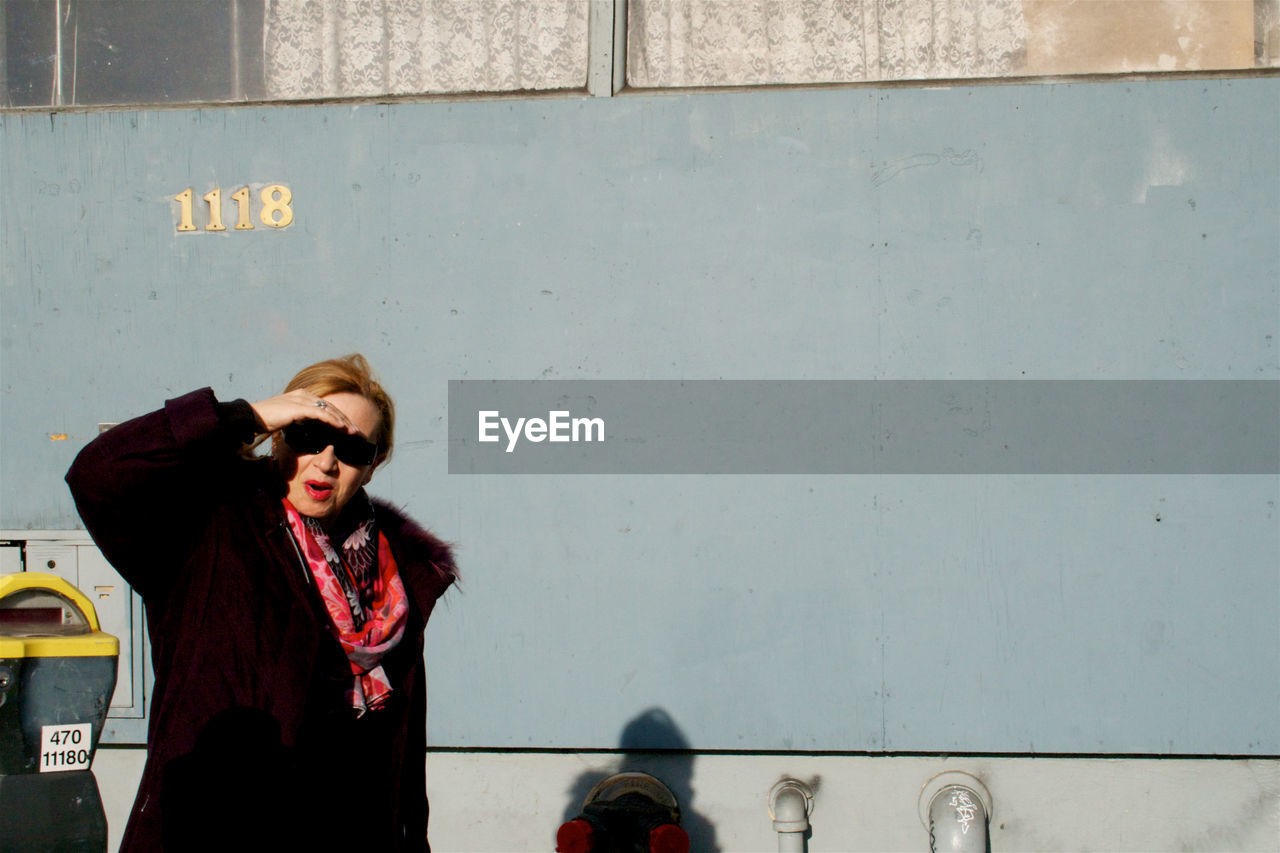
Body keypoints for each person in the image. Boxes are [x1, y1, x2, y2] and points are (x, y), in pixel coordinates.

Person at [65, 354, 456, 852]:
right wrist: (242, 416)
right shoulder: (209, 524)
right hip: (216, 830)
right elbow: (98, 475)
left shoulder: (396, 576)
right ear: (279, 435)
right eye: (308, 435)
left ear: (374, 464)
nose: (327, 462)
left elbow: (398, 749)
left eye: (353, 448)